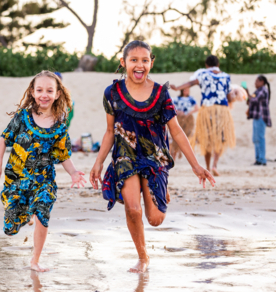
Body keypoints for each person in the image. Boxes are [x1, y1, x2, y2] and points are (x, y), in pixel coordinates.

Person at [89, 41, 215, 274]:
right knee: (133, 209)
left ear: (151, 63)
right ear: (123, 62)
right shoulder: (112, 93)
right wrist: (98, 162)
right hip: (125, 154)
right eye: (134, 60)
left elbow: (176, 130)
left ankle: (161, 187)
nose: (139, 65)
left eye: (145, 60)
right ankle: (143, 257)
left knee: (155, 219)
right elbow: (109, 131)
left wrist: (196, 166)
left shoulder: (161, 93)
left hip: (154, 155)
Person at [0, 70, 86, 272]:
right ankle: (25, 214)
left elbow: (63, 154)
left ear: (57, 94)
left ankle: (35, 260)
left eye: (49, 90)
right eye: (39, 89)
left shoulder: (60, 125)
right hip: (18, 177)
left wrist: (74, 173)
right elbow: (3, 140)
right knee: (11, 225)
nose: (44, 94)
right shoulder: (23, 117)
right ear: (32, 92)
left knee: (43, 212)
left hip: (44, 179)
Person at [171, 55, 235, 176]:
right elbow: (230, 96)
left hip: (207, 110)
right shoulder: (226, 76)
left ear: (206, 65)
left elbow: (190, 83)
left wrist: (177, 88)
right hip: (222, 111)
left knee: (207, 138)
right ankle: (215, 165)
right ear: (218, 64)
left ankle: (207, 167)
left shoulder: (203, 74)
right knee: (220, 138)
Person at [246, 75, 272, 166]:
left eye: (257, 81)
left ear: (262, 82)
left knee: (260, 138)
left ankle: (262, 159)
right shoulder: (258, 91)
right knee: (256, 138)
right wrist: (247, 95)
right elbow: (250, 101)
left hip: (261, 117)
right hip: (257, 117)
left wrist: (247, 93)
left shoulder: (263, 90)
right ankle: (258, 159)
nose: (255, 83)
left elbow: (254, 100)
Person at [170, 87, 199, 160]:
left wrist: (189, 113)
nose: (187, 91)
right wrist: (178, 112)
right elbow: (171, 106)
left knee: (188, 135)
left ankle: (184, 153)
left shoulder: (191, 99)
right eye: (185, 90)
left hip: (188, 119)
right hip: (179, 118)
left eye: (188, 90)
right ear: (182, 90)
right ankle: (175, 154)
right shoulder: (177, 99)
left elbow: (196, 108)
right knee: (177, 135)